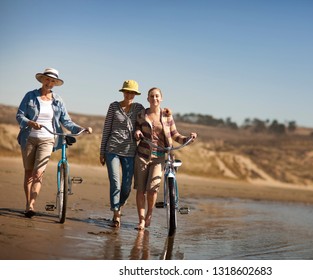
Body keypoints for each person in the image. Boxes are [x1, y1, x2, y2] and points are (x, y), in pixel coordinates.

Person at [16, 67, 93, 218]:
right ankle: (28, 204)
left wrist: (81, 129)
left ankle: (32, 204)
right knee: (28, 173)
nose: (49, 83)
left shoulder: (58, 100)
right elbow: (19, 116)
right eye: (47, 79)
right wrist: (30, 122)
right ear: (42, 80)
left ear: (55, 84)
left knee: (38, 173)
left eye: (52, 81)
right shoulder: (30, 96)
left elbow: (66, 121)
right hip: (29, 138)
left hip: (48, 139)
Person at [134, 87, 197, 230]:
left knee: (152, 190)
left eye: (157, 96)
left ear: (161, 98)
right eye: (151, 96)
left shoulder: (167, 116)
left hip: (160, 157)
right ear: (147, 98)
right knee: (140, 190)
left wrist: (188, 138)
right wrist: (137, 132)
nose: (154, 98)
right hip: (142, 156)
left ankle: (149, 214)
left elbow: (175, 135)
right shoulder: (141, 114)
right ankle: (141, 220)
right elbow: (136, 129)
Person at [100, 80, 144, 228]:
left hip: (130, 151)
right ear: (123, 92)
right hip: (112, 149)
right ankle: (116, 214)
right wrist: (102, 151)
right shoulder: (113, 106)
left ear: (135, 94)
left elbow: (151, 116)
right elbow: (106, 129)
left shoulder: (139, 108)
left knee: (126, 186)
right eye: (127, 91)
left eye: (132, 92)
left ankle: (120, 203)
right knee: (115, 182)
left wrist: (165, 113)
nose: (129, 94)